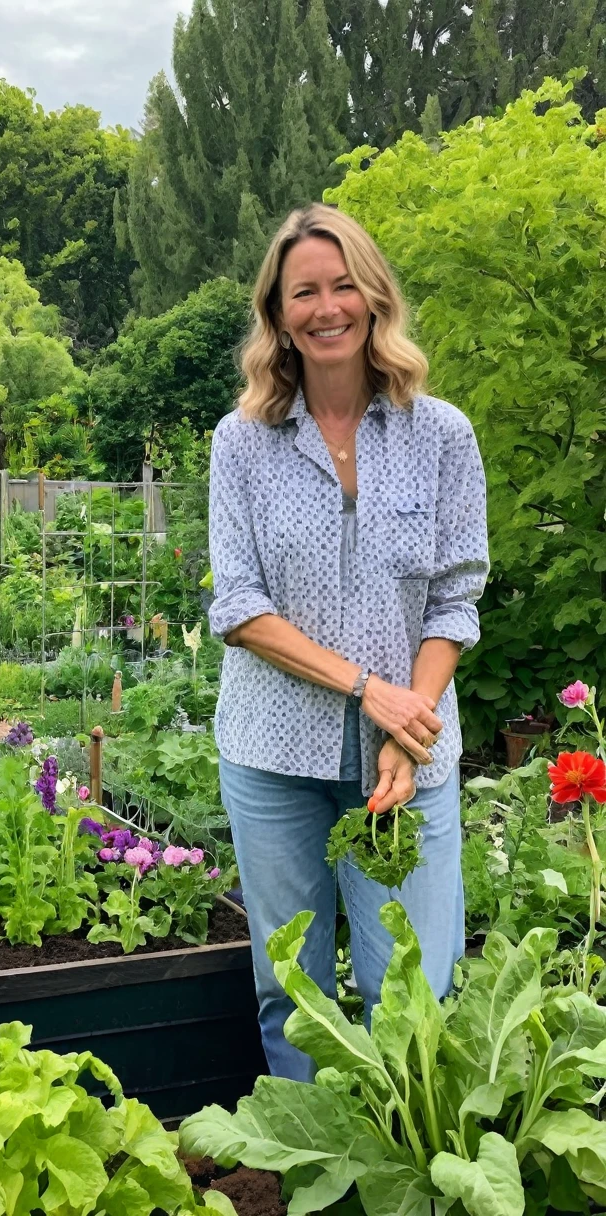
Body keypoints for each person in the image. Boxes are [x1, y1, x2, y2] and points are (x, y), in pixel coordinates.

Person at [208, 203, 489, 1080]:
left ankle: (403, 1182)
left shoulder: (441, 434)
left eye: (343, 286)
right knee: (290, 988)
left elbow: (455, 599)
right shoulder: (242, 443)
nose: (326, 307)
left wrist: (408, 727)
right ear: (277, 315)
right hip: (271, 758)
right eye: (303, 293)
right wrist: (373, 690)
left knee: (410, 991)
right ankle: (313, 1168)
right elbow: (241, 607)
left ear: (374, 299)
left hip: (403, 761)